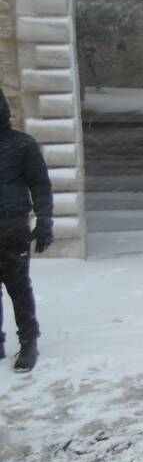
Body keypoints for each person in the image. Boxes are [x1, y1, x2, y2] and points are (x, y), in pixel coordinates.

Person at [0, 88, 53, 372]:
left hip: (12, 227)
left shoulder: (22, 145)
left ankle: (29, 341)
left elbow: (40, 185)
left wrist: (45, 221)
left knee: (18, 287)